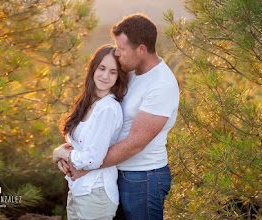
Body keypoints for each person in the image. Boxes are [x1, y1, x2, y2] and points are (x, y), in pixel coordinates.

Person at [54, 13, 180, 220]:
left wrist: (84, 166)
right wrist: (64, 151)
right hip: (115, 173)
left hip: (143, 179)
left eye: (121, 49)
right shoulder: (129, 72)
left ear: (141, 50)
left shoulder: (161, 85)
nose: (117, 54)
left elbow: (134, 144)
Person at [53, 44, 129, 220]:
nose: (105, 76)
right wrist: (60, 155)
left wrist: (61, 154)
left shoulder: (108, 108)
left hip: (96, 195)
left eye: (113, 72)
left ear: (118, 77)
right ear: (93, 68)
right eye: (102, 68)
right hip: (78, 190)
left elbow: (92, 159)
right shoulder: (87, 103)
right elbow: (78, 147)